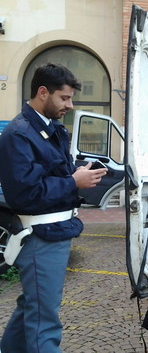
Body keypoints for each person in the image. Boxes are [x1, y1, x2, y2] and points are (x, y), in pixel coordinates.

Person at [0, 63, 107, 352]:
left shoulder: (49, 129)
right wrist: (74, 181)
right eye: (64, 98)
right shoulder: (19, 134)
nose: (70, 105)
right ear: (42, 92)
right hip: (40, 236)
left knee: (31, 308)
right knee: (44, 321)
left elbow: (53, 174)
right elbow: (26, 194)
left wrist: (80, 174)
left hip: (54, 231)